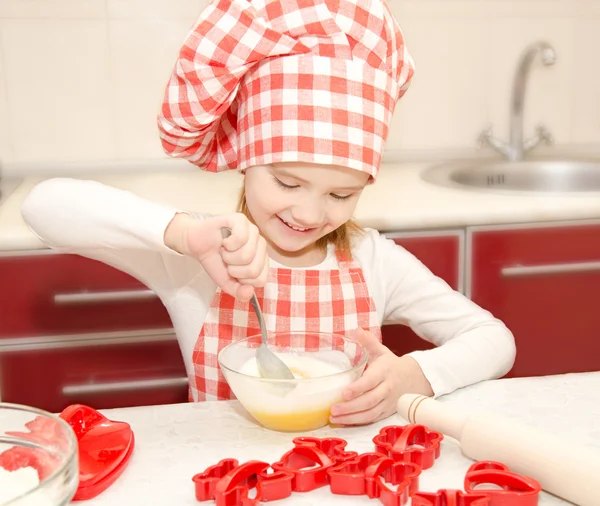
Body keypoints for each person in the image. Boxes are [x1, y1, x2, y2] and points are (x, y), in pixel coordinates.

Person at [21, 0, 515, 426]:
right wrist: (182, 234)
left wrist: (418, 374)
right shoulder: (200, 256)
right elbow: (43, 206)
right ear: (245, 156)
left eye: (341, 195)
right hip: (223, 477)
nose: (309, 211)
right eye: (287, 182)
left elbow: (494, 339)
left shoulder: (372, 261)